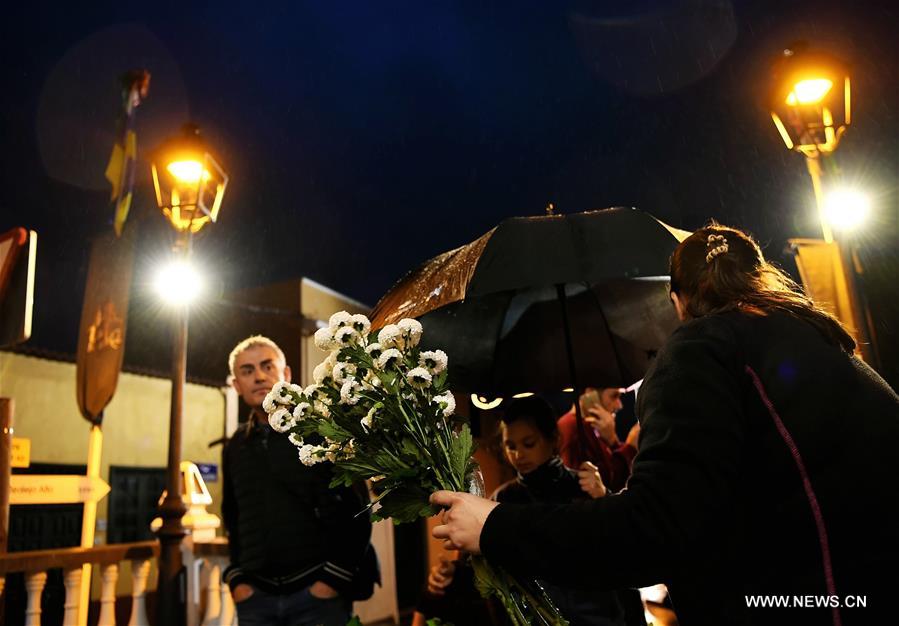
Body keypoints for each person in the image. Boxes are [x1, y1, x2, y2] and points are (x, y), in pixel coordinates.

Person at [431, 225, 899, 626]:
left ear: (677, 302)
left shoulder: (703, 349)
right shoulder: (829, 346)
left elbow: (654, 530)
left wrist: (494, 526)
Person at [222, 335, 376, 626]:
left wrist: (332, 581)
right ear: (236, 385)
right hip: (255, 599)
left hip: (318, 597)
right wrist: (236, 580)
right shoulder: (235, 445)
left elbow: (357, 510)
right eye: (247, 370)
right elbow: (231, 515)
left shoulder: (321, 431)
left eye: (267, 366)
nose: (259, 376)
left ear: (286, 375)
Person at [557, 387, 640, 492]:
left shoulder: (593, 426)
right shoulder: (572, 427)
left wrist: (612, 441)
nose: (619, 405)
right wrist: (630, 448)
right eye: (614, 396)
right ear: (591, 395)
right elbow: (607, 483)